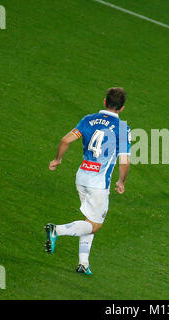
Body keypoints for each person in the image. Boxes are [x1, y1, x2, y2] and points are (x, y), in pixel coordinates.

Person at [46, 87, 131, 275]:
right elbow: (124, 161)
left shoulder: (88, 120)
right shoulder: (122, 129)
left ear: (104, 102)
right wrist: (121, 182)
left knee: (89, 219)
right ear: (122, 108)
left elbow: (65, 140)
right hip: (99, 183)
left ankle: (83, 263)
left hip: (82, 176)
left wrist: (57, 160)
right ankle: (57, 230)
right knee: (95, 225)